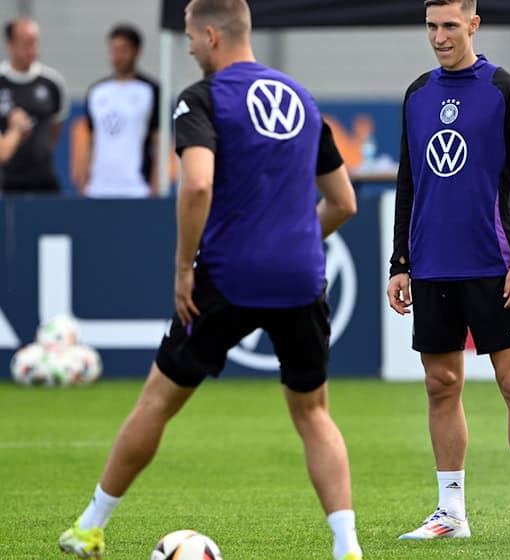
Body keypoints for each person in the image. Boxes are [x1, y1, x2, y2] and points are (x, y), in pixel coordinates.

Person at [59, 1, 363, 559]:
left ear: (211, 34)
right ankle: (348, 549)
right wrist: (295, 241)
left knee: (157, 401)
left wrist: (182, 267)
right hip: (300, 277)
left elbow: (197, 184)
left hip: (227, 275)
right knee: (314, 414)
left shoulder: (202, 98)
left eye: (192, 39)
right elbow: (343, 202)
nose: (191, 48)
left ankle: (88, 529)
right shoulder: (301, 98)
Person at [387, 0, 510, 542]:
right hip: (432, 266)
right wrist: (400, 262)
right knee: (441, 384)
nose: (439, 36)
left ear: (473, 25)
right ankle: (450, 513)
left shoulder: (505, 91)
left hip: (492, 263)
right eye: (432, 26)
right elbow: (408, 183)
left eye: (450, 26)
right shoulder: (417, 94)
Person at [73, 24, 161, 198]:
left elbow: (159, 140)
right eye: (114, 50)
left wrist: (155, 185)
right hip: (98, 188)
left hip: (136, 187)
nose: (117, 56)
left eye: (123, 50)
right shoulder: (97, 91)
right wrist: (83, 181)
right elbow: (89, 138)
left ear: (136, 51)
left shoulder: (150, 90)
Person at [0, 17, 67, 195]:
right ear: (10, 44)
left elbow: (55, 130)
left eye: (35, 42)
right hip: (8, 184)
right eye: (25, 43)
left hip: (44, 181)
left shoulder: (52, 82)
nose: (32, 49)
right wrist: (16, 130)